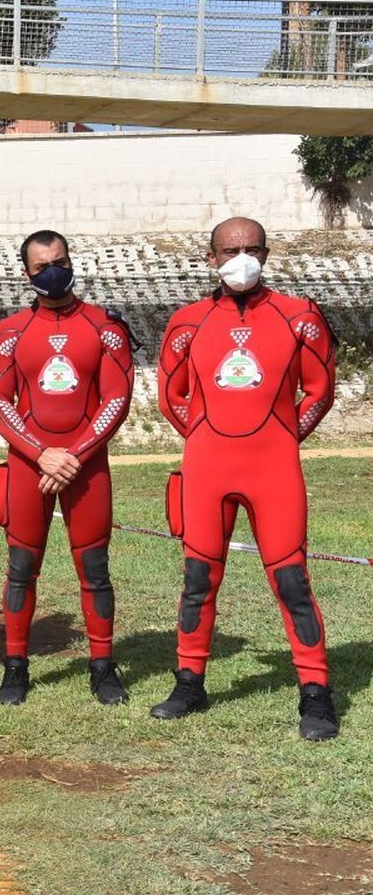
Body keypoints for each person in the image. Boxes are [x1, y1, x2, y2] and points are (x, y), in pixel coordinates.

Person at [155, 218, 339, 740]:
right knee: (197, 580)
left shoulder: (298, 315)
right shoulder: (187, 321)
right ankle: (189, 681)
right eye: (230, 249)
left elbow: (319, 389)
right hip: (207, 467)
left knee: (292, 581)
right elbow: (172, 397)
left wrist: (284, 437)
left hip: (273, 467)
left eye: (252, 248)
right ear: (210, 258)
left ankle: (316, 693)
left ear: (267, 252)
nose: (242, 258)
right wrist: (205, 440)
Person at [0, 230, 134, 706]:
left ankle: (103, 668)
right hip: (31, 465)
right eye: (42, 264)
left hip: (86, 466)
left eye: (60, 261)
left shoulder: (105, 326)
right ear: (26, 273)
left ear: (71, 262)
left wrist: (74, 454)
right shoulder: (10, 331)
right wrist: (41, 452)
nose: (53, 270)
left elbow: (117, 397)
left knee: (95, 568)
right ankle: (15, 668)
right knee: (21, 568)